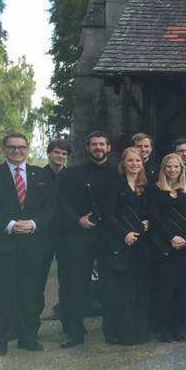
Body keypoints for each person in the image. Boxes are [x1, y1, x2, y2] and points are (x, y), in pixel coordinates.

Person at [0, 133, 55, 355]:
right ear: (3, 149)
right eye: (11, 147)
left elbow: (51, 206)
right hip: (2, 243)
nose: (16, 151)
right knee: (2, 292)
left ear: (28, 149)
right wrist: (8, 224)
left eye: (21, 147)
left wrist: (34, 223)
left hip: (34, 242)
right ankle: (2, 339)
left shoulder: (41, 174)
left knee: (31, 292)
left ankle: (28, 337)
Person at [59, 130, 115, 348]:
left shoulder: (116, 173)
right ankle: (74, 331)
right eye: (94, 144)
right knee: (77, 284)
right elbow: (62, 203)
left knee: (111, 284)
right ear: (87, 148)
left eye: (102, 144)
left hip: (108, 236)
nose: (98, 148)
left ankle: (111, 329)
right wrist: (77, 220)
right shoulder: (73, 174)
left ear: (108, 148)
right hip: (81, 235)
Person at [100, 146, 152, 345]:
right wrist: (124, 234)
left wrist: (149, 221)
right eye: (130, 161)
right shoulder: (114, 185)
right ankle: (121, 333)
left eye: (137, 161)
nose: (134, 164)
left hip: (141, 244)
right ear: (123, 163)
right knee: (120, 290)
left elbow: (152, 211)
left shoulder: (145, 186)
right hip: (121, 244)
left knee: (139, 289)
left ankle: (139, 332)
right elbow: (108, 215)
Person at [146, 154, 186, 342]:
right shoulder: (154, 190)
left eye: (176, 167)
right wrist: (171, 237)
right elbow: (155, 217)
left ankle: (176, 326)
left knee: (180, 289)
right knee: (164, 288)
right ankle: (163, 327)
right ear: (163, 169)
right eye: (169, 166)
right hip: (163, 246)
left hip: (185, 247)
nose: (173, 170)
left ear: (182, 169)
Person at [40, 138, 70, 322]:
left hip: (66, 235)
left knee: (66, 279)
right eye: (57, 152)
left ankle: (67, 319)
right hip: (43, 234)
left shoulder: (71, 176)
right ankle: (30, 326)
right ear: (49, 153)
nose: (60, 156)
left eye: (64, 154)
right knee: (37, 279)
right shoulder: (38, 175)